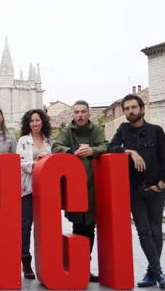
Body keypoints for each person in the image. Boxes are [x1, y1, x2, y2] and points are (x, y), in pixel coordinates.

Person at [107, 94, 165, 288]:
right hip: (135, 190)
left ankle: (153, 273)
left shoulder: (156, 131)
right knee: (144, 231)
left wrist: (160, 184)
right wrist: (131, 152)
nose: (130, 111)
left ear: (142, 109)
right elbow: (111, 147)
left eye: (134, 107)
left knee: (156, 231)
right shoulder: (123, 130)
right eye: (126, 109)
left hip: (155, 189)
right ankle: (158, 272)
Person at [51, 100, 108, 283]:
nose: (80, 115)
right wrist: (72, 151)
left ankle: (85, 265)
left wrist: (92, 150)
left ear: (89, 114)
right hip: (75, 189)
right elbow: (56, 147)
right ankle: (78, 265)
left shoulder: (96, 130)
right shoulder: (68, 131)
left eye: (83, 112)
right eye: (77, 112)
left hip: (92, 188)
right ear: (73, 115)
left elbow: (106, 146)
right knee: (78, 226)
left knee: (90, 227)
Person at [16, 109, 53, 279]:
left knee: (47, 225)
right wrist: (38, 164)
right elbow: (20, 161)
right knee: (26, 224)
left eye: (38, 120)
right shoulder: (23, 141)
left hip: (47, 188)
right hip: (28, 188)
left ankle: (48, 259)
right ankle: (26, 260)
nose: (35, 124)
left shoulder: (50, 141)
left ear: (43, 121)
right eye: (32, 121)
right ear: (28, 124)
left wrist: (47, 161)